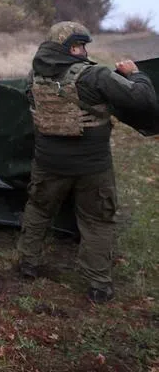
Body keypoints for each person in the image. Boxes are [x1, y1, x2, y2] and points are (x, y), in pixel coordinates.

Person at [16, 21, 158, 303]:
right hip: (92, 168)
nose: (82, 51)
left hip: (48, 164)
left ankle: (26, 264)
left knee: (39, 210)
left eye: (83, 46)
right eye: (76, 46)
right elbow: (142, 101)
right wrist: (136, 75)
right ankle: (99, 285)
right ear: (63, 48)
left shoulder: (35, 75)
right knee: (97, 221)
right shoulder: (96, 76)